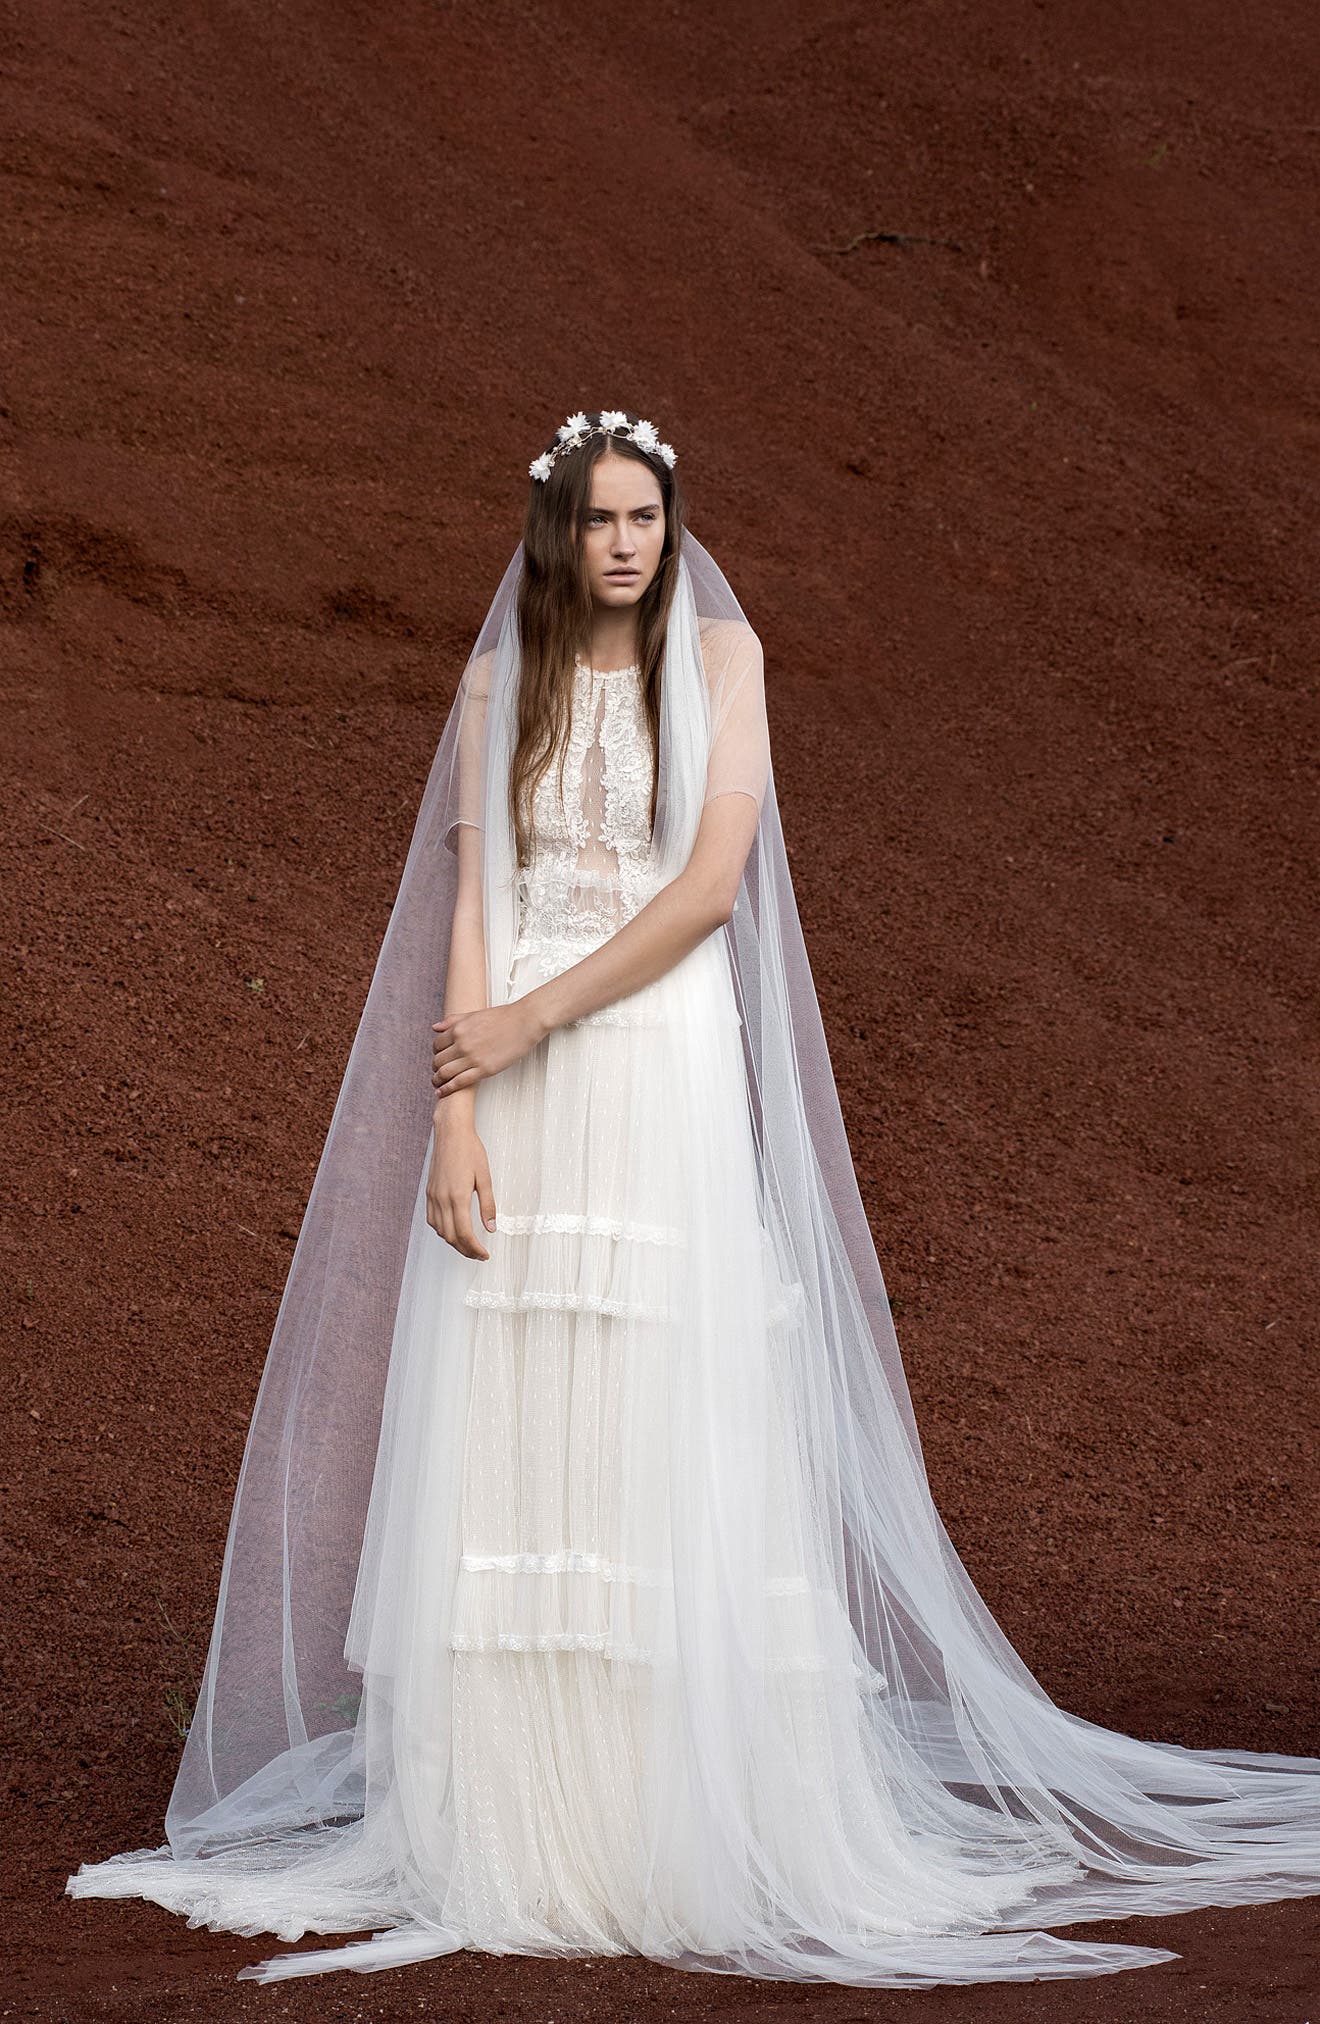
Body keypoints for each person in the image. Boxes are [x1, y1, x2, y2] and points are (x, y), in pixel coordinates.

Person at [67, 410, 1320, 1990]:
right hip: (517, 1075)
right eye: (596, 520)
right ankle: (522, 1829)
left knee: (658, 1410)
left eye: (645, 517)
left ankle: (671, 1823)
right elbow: (474, 901)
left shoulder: (725, 665)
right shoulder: (493, 681)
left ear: (671, 526)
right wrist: (458, 1110)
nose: (623, 545)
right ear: (554, 534)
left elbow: (710, 889)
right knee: (515, 1431)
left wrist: (536, 1017)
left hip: (648, 1070)